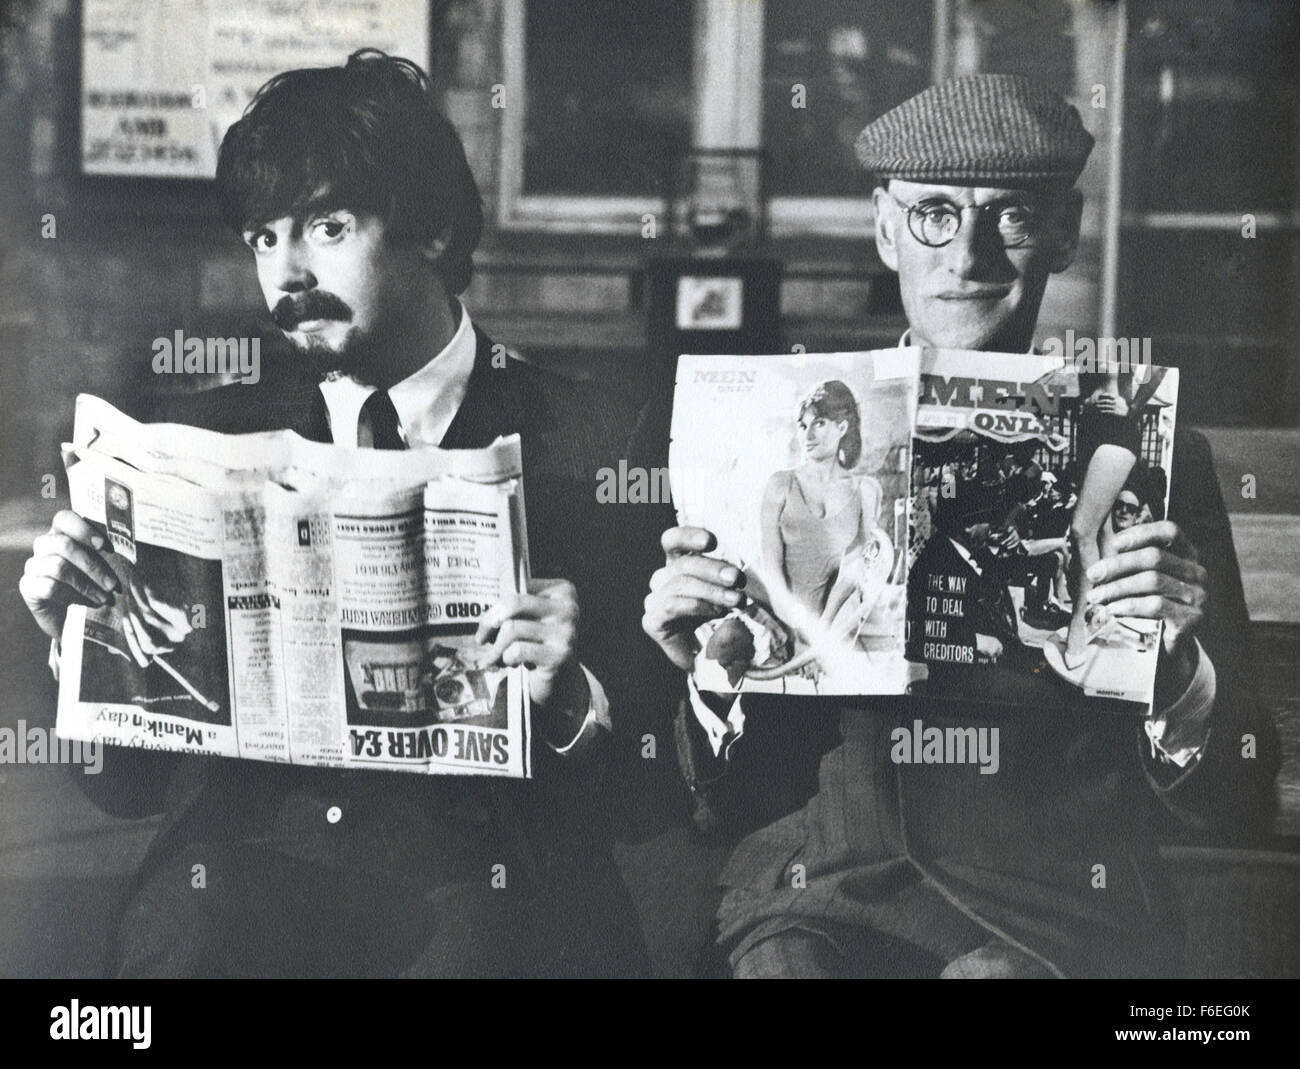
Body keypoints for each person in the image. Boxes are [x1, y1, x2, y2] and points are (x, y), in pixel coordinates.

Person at [19, 51, 663, 977]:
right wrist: (83, 641)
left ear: (432, 228)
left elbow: (655, 796)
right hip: (240, 879)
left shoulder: (589, 439)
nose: (286, 272)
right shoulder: (208, 434)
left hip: (485, 889)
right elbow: (126, 788)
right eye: (261, 239)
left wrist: (572, 699)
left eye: (326, 226)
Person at [642, 73, 1279, 977]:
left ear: (1064, 233)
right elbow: (713, 806)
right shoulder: (778, 434)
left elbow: (1238, 799)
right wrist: (712, 667)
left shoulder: (1156, 456)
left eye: (1011, 215)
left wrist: (1176, 677)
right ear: (884, 229)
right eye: (934, 212)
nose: (967, 255)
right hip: (815, 894)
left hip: (1046, 918)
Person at [1061, 365, 1170, 668]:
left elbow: (1159, 367)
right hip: (1088, 427)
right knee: (1102, 531)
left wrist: (1133, 407)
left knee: (1081, 531)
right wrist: (1083, 401)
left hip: (1118, 429)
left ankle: (1080, 620)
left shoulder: (1131, 322)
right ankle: (1106, 613)